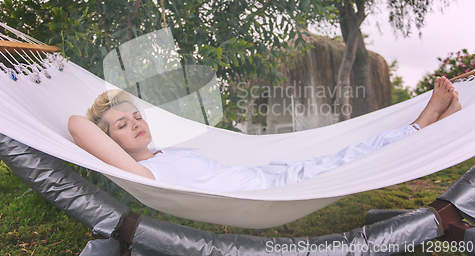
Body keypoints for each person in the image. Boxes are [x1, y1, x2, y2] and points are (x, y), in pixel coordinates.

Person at [68, 76, 461, 192]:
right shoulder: (144, 174)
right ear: (111, 142)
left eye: (137, 116)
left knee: (347, 149)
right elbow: (77, 124)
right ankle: (423, 124)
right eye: (122, 125)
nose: (137, 123)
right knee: (355, 156)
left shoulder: (162, 154)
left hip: (276, 173)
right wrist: (101, 113)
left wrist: (118, 111)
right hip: (273, 192)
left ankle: (434, 125)